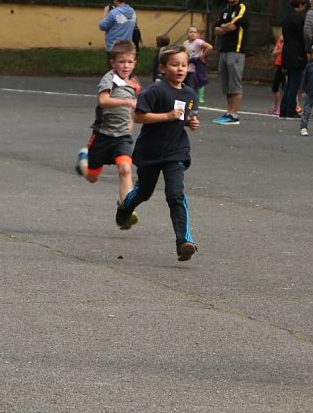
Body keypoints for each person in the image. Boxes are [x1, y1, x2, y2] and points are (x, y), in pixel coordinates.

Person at [115, 45, 201, 261]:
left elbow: (184, 118)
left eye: (184, 65)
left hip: (176, 151)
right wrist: (167, 116)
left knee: (176, 194)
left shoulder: (190, 94)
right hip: (150, 152)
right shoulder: (154, 91)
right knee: (143, 192)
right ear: (162, 68)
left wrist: (190, 123)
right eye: (174, 65)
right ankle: (125, 207)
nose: (180, 69)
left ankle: (184, 241)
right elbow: (139, 117)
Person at [75, 40, 142, 227]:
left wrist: (131, 121)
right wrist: (127, 102)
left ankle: (126, 210)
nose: (126, 66)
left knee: (126, 169)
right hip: (103, 135)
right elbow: (103, 100)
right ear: (113, 63)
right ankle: (82, 162)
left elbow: (134, 109)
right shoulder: (109, 79)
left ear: (135, 63)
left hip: (122, 136)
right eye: (122, 62)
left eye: (129, 62)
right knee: (92, 177)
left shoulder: (135, 84)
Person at [212, 0, 248, 125]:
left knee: (235, 83)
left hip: (236, 51)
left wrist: (225, 27)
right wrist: (224, 27)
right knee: (226, 84)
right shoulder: (226, 10)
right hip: (224, 49)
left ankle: (234, 114)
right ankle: (228, 112)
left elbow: (233, 26)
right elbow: (216, 28)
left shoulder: (242, 8)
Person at [279, 0, 307, 118]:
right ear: (300, 5)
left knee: (289, 82)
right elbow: (303, 35)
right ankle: (291, 109)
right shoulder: (299, 19)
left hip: (287, 51)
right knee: (295, 82)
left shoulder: (286, 18)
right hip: (297, 52)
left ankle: (283, 109)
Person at [98, 0, 137, 67]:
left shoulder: (113, 13)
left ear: (115, 0)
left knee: (113, 70)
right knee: (124, 69)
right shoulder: (133, 12)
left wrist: (105, 12)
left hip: (113, 47)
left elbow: (102, 26)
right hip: (127, 47)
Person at [182, 26, 213, 102]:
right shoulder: (185, 43)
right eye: (190, 32)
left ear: (197, 34)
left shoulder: (198, 42)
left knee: (193, 86)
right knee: (186, 86)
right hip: (187, 67)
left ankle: (194, 102)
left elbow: (209, 47)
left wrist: (202, 56)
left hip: (195, 68)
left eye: (194, 32)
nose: (192, 34)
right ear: (187, 34)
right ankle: (188, 100)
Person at [268, 34, 285, 114]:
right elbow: (274, 53)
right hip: (279, 65)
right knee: (275, 87)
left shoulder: (289, 43)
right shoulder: (279, 42)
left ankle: (285, 106)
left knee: (285, 87)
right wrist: (280, 50)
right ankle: (275, 106)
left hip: (285, 65)